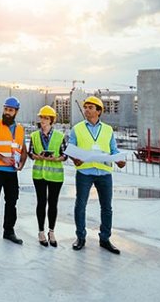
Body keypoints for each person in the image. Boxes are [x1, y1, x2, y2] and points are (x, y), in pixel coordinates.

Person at [68, 96, 126, 254]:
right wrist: (75, 159)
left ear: (99, 111)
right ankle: (80, 237)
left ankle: (105, 239)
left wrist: (120, 160)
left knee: (107, 208)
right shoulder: (77, 128)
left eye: (90, 107)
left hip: (104, 173)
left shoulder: (108, 130)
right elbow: (70, 148)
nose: (86, 109)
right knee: (80, 206)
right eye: (85, 107)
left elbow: (113, 150)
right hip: (85, 172)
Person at [0, 96, 27, 247]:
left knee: (12, 202)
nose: (7, 112)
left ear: (16, 112)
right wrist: (2, 158)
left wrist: (21, 163)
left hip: (12, 172)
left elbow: (23, 150)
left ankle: (9, 232)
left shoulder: (20, 129)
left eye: (11, 110)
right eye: (6, 109)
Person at [28, 105, 67, 247]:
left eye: (46, 118)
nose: (43, 120)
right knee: (41, 202)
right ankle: (41, 232)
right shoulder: (34, 136)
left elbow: (65, 155)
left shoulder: (59, 136)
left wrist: (56, 159)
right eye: (41, 118)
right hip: (39, 175)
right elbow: (30, 153)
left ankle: (51, 231)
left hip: (55, 176)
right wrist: (36, 156)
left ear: (51, 120)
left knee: (53, 203)